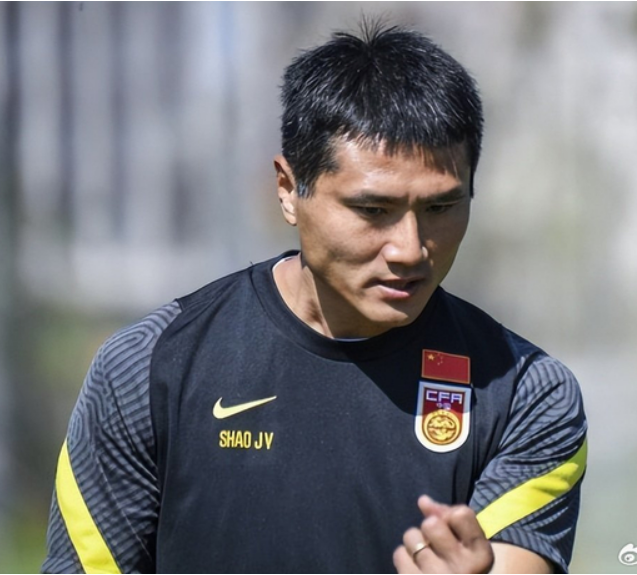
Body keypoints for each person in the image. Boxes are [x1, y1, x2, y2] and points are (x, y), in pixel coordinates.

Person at [43, 24, 587, 574]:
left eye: (440, 208)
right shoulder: (147, 369)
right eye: (373, 210)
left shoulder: (525, 393)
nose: (409, 249)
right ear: (288, 190)